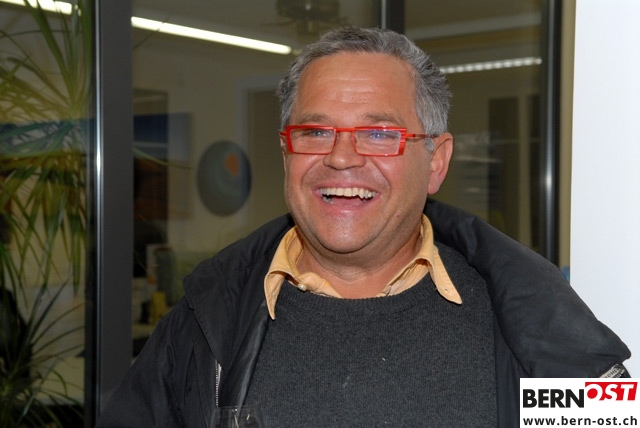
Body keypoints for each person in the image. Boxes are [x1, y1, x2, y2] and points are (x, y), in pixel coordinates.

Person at [97, 26, 630, 427]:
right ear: (286, 152)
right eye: (315, 132)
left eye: (379, 134)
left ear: (437, 162)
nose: (342, 158)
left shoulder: (547, 332)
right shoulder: (201, 322)